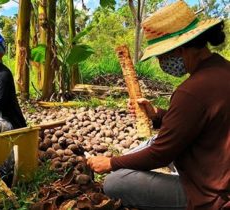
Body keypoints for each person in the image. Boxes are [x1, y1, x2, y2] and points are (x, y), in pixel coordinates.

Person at [86, 1, 230, 210]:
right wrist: (158, 115)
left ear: (179, 50)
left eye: (162, 56)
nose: (162, 62)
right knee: (152, 142)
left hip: (212, 194)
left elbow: (160, 154)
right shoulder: (223, 69)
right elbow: (201, 122)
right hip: (217, 167)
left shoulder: (190, 91)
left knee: (115, 182)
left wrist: (111, 163)